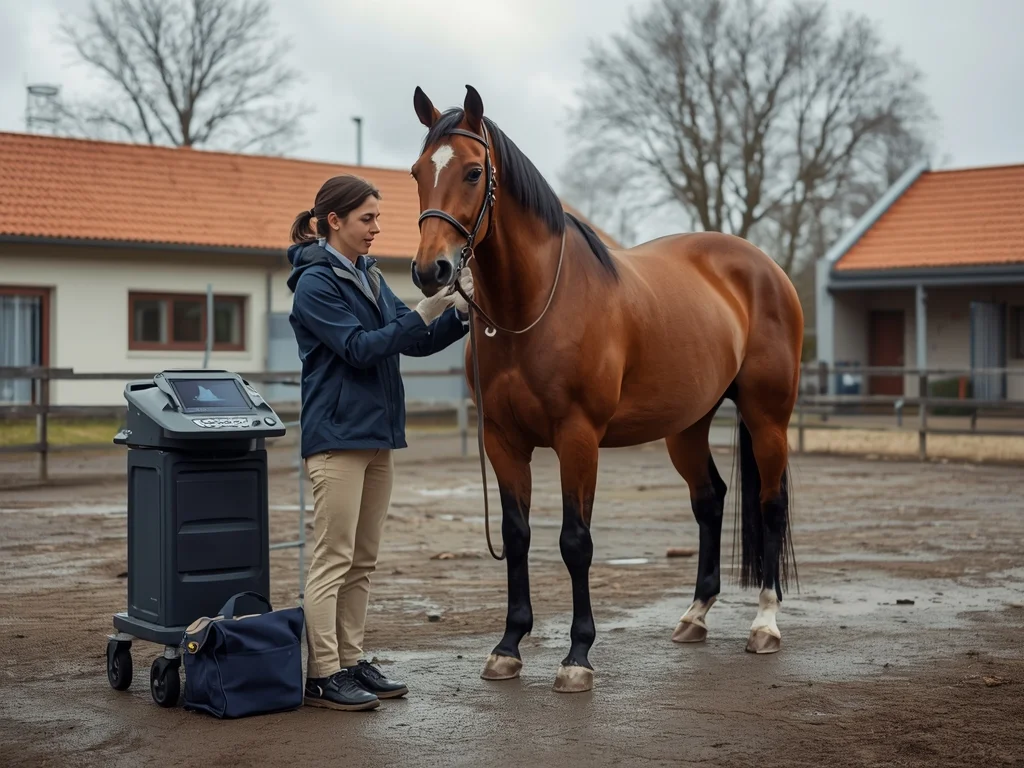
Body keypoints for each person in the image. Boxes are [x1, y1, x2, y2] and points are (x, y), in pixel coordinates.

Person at [286, 174, 472, 712]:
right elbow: (361, 348)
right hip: (337, 440)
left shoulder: (367, 274)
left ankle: (351, 659)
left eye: (378, 218)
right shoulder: (315, 284)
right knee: (333, 559)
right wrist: (424, 311)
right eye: (367, 219)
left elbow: (410, 340)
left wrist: (456, 311)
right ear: (335, 221)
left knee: (362, 560)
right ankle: (322, 673)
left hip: (376, 437)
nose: (376, 229)